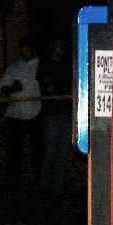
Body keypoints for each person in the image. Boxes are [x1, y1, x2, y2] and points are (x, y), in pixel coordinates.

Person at [0, 37, 43, 197]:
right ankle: (12, 183)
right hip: (15, 115)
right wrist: (11, 88)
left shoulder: (40, 66)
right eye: (23, 48)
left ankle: (39, 181)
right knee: (13, 151)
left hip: (35, 114)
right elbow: (1, 89)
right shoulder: (13, 67)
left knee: (38, 151)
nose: (25, 51)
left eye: (28, 48)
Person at [37, 38, 71, 199]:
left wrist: (61, 89)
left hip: (66, 111)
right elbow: (49, 87)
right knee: (50, 151)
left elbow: (71, 86)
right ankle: (44, 187)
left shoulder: (68, 65)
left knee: (63, 152)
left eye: (62, 44)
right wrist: (61, 89)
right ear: (52, 46)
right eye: (58, 43)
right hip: (51, 112)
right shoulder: (45, 64)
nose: (61, 46)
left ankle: (57, 188)